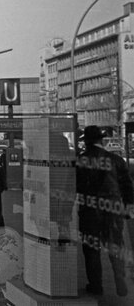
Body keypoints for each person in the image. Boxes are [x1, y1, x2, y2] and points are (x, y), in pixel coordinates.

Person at [77, 125, 133, 297]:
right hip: (113, 210)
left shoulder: (81, 160)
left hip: (90, 211)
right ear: (101, 140)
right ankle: (120, 282)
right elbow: (127, 188)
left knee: (92, 248)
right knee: (116, 245)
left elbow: (75, 186)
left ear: (86, 142)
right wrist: (128, 210)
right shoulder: (117, 160)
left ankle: (96, 285)